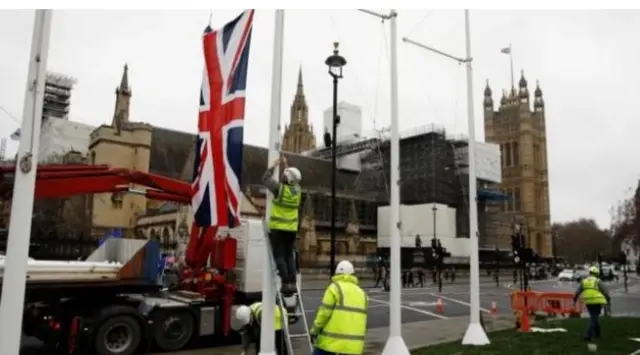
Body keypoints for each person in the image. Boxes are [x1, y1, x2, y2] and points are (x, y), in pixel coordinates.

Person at [262, 155, 302, 295]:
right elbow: (291, 179)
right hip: (291, 230)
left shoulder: (279, 189)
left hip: (278, 228)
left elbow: (265, 179)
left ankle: (285, 283)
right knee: (289, 256)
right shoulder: (297, 191)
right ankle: (292, 282)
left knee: (279, 256)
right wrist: (286, 165)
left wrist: (273, 166)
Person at [310, 260, 368, 355]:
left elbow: (324, 314)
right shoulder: (362, 294)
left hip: (330, 344)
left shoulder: (334, 288)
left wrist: (314, 331)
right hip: (354, 347)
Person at [574, 266, 611, 344]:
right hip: (597, 301)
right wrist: (608, 299)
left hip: (588, 301)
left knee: (594, 317)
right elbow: (605, 292)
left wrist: (574, 300)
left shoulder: (584, 281)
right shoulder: (598, 281)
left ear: (589, 273)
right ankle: (588, 334)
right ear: (597, 273)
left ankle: (597, 334)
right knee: (594, 318)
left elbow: (577, 292)